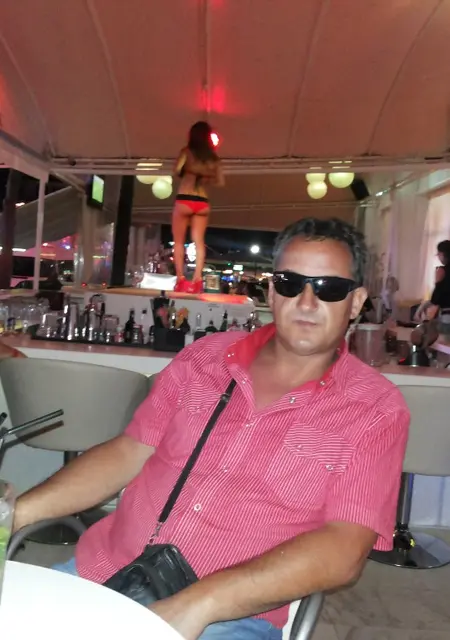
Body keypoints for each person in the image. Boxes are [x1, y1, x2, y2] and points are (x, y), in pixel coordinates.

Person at [13, 218, 410, 640]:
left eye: (329, 288)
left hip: (228, 617)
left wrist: (200, 604)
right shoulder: (204, 358)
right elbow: (129, 451)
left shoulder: (375, 410)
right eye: (291, 283)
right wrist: (15, 513)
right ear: (272, 293)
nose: (307, 302)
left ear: (356, 302)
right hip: (104, 572)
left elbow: (345, 547)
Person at [172, 121, 224, 294]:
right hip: (202, 201)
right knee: (199, 242)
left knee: (179, 242)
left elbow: (176, 170)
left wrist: (190, 171)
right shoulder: (213, 159)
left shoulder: (186, 152)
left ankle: (180, 279)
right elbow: (220, 181)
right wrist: (206, 176)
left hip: (184, 199)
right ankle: (197, 279)